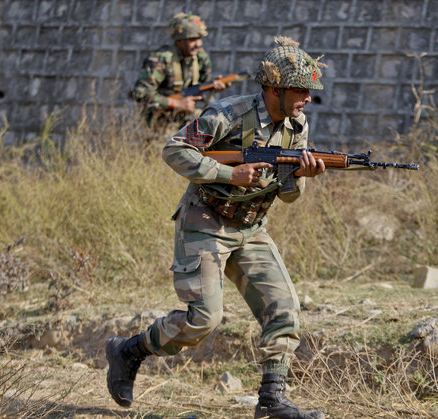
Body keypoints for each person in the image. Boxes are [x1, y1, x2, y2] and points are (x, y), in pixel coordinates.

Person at [107, 36, 327, 419]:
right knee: (203, 319)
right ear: (274, 89)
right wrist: (230, 173)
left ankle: (272, 402)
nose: (307, 97)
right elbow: (174, 149)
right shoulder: (228, 114)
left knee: (284, 312)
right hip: (205, 221)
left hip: (250, 228)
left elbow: (289, 196)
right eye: (301, 90)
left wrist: (302, 176)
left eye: (309, 91)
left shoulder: (297, 126)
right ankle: (128, 351)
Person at [133, 12, 229, 136]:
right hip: (162, 120)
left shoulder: (200, 57)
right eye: (193, 39)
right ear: (179, 41)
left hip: (189, 118)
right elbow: (141, 92)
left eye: (199, 39)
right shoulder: (161, 60)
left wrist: (214, 87)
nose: (198, 44)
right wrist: (177, 104)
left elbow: (204, 87)